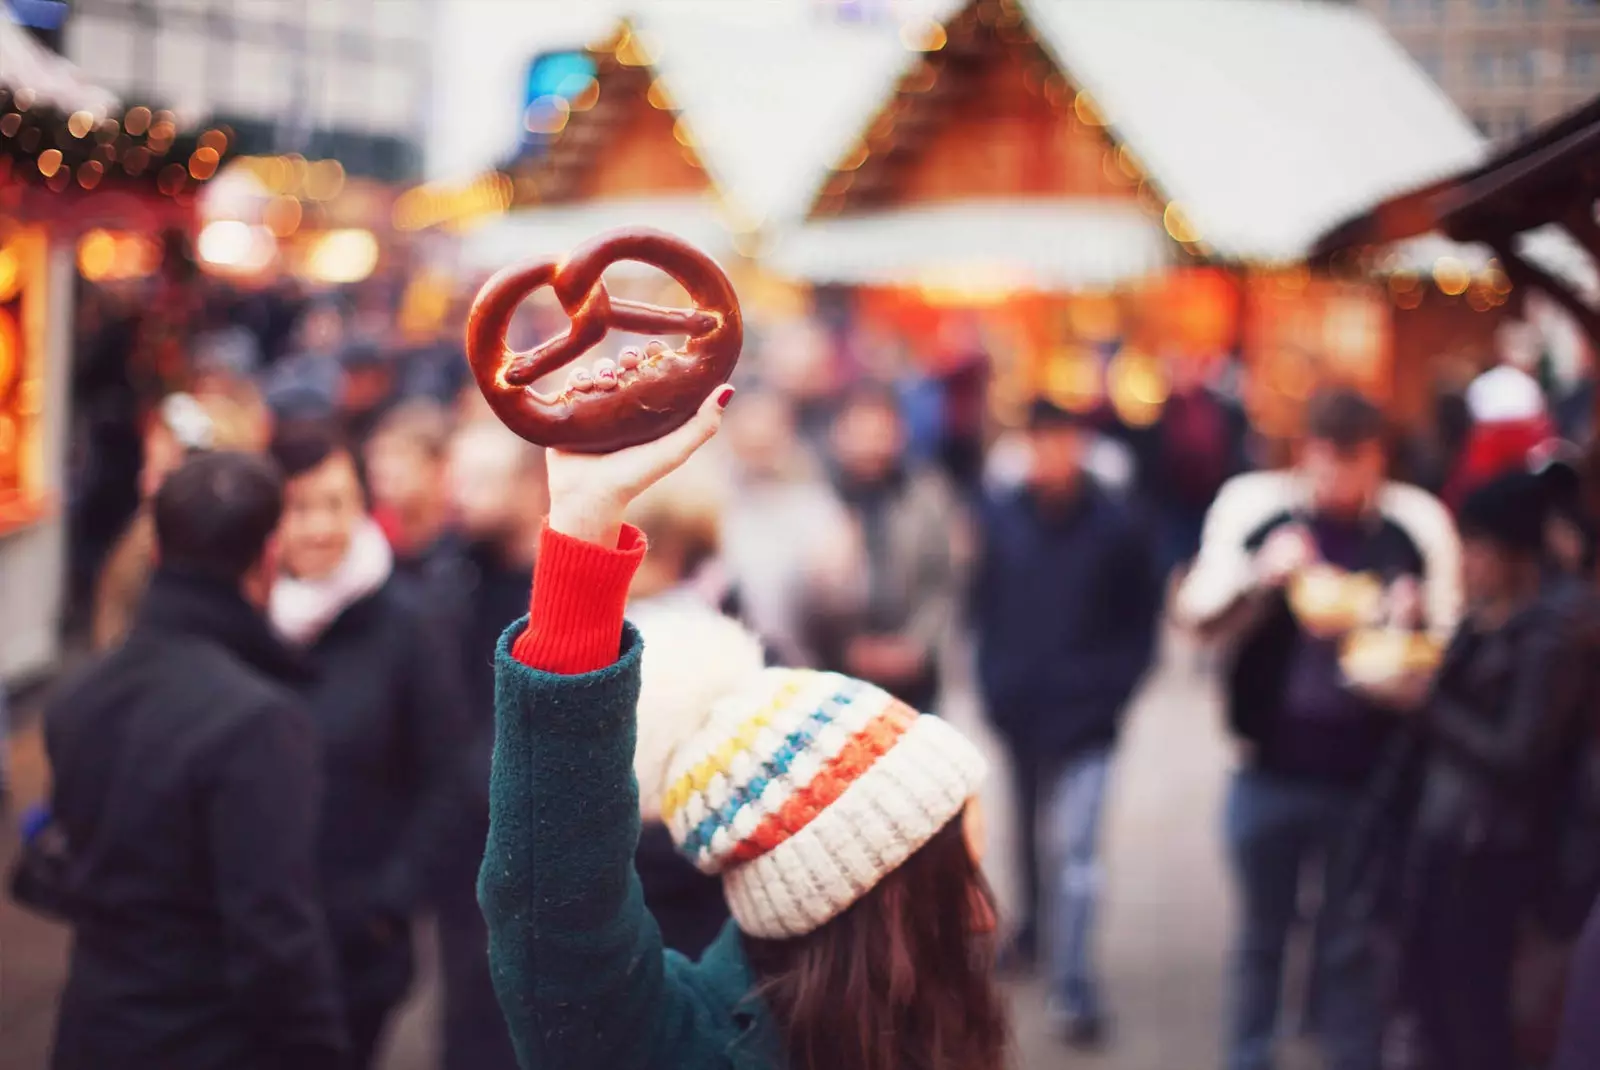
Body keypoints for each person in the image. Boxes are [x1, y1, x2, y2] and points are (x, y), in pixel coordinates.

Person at [476, 374, 1007, 1070]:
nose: (985, 918)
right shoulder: (689, 1044)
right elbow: (557, 925)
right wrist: (581, 532)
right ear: (853, 899)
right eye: (955, 882)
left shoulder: (930, 1027)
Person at [1177, 388, 1462, 1070]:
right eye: (1325, 458)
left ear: (1379, 461)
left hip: (1369, 774)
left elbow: (1450, 644)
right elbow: (1196, 618)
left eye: (1353, 460)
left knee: (1351, 944)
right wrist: (1258, 577)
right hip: (1268, 766)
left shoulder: (1412, 526)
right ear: (1304, 452)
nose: (1336, 476)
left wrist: (1408, 622)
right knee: (1260, 940)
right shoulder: (1259, 509)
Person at [45, 451, 347, 1070]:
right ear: (267, 557)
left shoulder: (77, 697)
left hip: (93, 1026)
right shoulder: (257, 723)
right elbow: (273, 936)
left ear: (156, 551)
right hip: (204, 1040)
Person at [267, 420, 466, 1069]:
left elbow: (446, 771)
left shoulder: (405, 622)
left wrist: (390, 899)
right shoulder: (242, 619)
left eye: (336, 504)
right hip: (248, 938)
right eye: (298, 508)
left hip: (356, 942)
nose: (318, 528)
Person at [1375, 472, 1590, 1070]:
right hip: (1441, 842)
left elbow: (1520, 755)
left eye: (1477, 549)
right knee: (1431, 1012)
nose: (1465, 563)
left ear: (1512, 553)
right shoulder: (1483, 621)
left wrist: (1428, 706)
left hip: (1491, 853)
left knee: (1477, 1019)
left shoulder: (1550, 636)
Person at [973, 398, 1161, 1046]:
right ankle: (1032, 932)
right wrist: (994, 685)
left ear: (1081, 445)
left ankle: (1074, 984)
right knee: (1025, 836)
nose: (1051, 455)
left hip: (1088, 719)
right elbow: (983, 607)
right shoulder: (1001, 515)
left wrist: (1112, 694)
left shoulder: (1118, 524)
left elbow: (1142, 623)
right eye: (1039, 441)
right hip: (1021, 710)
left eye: (1062, 441)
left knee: (1076, 852)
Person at [432, 416, 549, 1070]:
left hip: (533, 846)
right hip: (463, 850)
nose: (457, 493)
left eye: (480, 478)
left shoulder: (559, 595)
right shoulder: (454, 578)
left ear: (533, 484)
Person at [817, 382, 967, 711]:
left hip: (915, 672)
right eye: (861, 431)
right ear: (839, 433)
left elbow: (944, 581)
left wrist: (916, 645)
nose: (871, 445)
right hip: (837, 672)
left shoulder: (926, 494)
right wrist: (849, 645)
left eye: (880, 430)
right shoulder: (819, 499)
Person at [92, 390, 270, 650]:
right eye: (147, 467)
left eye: (164, 475)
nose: (145, 484)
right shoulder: (142, 540)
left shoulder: (236, 553)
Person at [718, 390, 860, 666]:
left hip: (797, 665)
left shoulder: (813, 505)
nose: (759, 437)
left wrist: (837, 577)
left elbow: (842, 601)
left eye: (769, 430)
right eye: (749, 430)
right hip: (724, 665)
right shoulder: (707, 502)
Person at [363, 398, 458, 575]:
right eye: (377, 455)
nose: (382, 468)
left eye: (399, 454)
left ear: (438, 464)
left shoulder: (469, 538)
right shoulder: (369, 540)